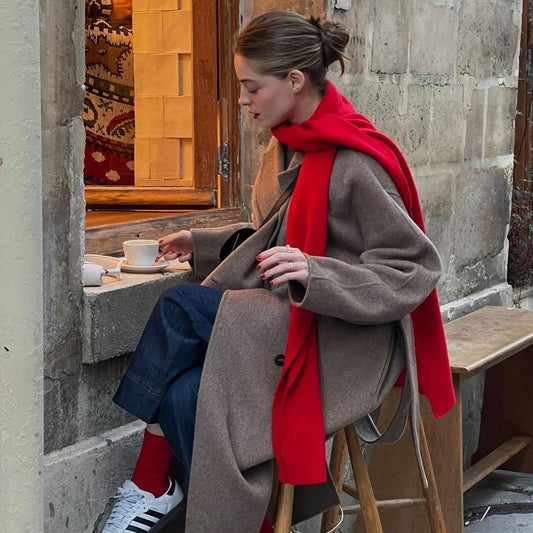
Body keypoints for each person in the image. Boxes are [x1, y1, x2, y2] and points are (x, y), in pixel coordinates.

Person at [101, 10, 455, 533]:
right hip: (287, 318)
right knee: (184, 395)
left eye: (251, 87)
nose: (242, 100)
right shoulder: (284, 145)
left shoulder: (356, 163)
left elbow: (415, 267)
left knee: (179, 308)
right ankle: (254, 520)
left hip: (347, 339)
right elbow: (277, 237)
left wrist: (318, 276)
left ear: (294, 81)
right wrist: (204, 243)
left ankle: (153, 485)